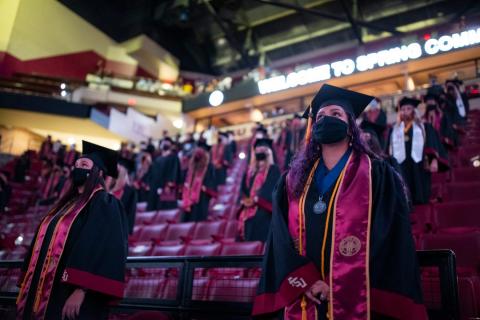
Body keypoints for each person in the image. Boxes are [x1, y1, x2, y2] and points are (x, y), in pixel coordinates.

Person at [253, 84, 427, 319]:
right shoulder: (291, 181)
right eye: (321, 116)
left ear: (350, 126)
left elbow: (389, 237)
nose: (326, 120)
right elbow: (279, 236)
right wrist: (306, 280)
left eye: (336, 114)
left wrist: (339, 283)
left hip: (359, 295)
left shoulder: (377, 174)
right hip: (304, 294)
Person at [17, 141, 128, 320]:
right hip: (45, 288)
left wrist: (81, 289)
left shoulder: (104, 203)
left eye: (84, 165)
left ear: (98, 172)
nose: (77, 168)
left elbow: (102, 247)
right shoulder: (67, 205)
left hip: (70, 293)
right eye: (76, 164)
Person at [387, 97, 449, 204]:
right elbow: (388, 151)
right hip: (401, 167)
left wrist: (434, 161)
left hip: (419, 166)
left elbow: (432, 145)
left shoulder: (423, 127)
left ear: (414, 111)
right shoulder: (393, 130)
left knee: (420, 195)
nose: (405, 111)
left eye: (408, 108)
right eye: (403, 109)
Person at [238, 138, 280, 242]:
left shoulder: (273, 169)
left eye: (263, 151)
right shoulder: (250, 171)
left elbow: (271, 191)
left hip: (264, 210)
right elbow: (243, 191)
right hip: (248, 209)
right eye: (257, 151)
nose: (260, 153)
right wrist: (245, 200)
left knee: (259, 220)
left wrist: (257, 200)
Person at [182, 142, 217, 222]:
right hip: (188, 197)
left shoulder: (209, 167)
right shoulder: (190, 166)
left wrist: (205, 188)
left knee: (199, 219)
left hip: (202, 197)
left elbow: (212, 182)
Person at [146, 137, 181, 210]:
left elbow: (174, 173)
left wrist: (168, 185)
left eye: (167, 143)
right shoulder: (157, 158)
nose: (165, 144)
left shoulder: (173, 158)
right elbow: (152, 173)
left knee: (164, 209)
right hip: (155, 187)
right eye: (163, 142)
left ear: (171, 145)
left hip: (166, 188)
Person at [110, 158, 138, 235]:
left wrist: (126, 232)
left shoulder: (130, 192)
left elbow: (130, 214)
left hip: (120, 230)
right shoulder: (108, 186)